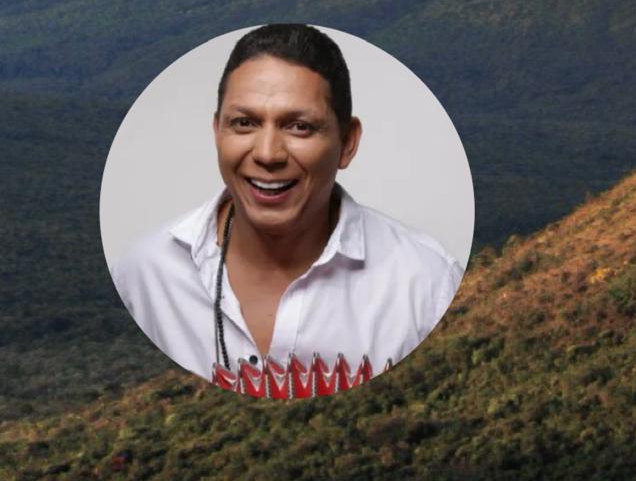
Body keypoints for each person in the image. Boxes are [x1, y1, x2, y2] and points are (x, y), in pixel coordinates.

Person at [110, 24, 463, 397]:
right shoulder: (144, 278)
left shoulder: (427, 286)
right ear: (217, 132)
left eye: (299, 127)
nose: (267, 154)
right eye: (244, 123)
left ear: (347, 143)